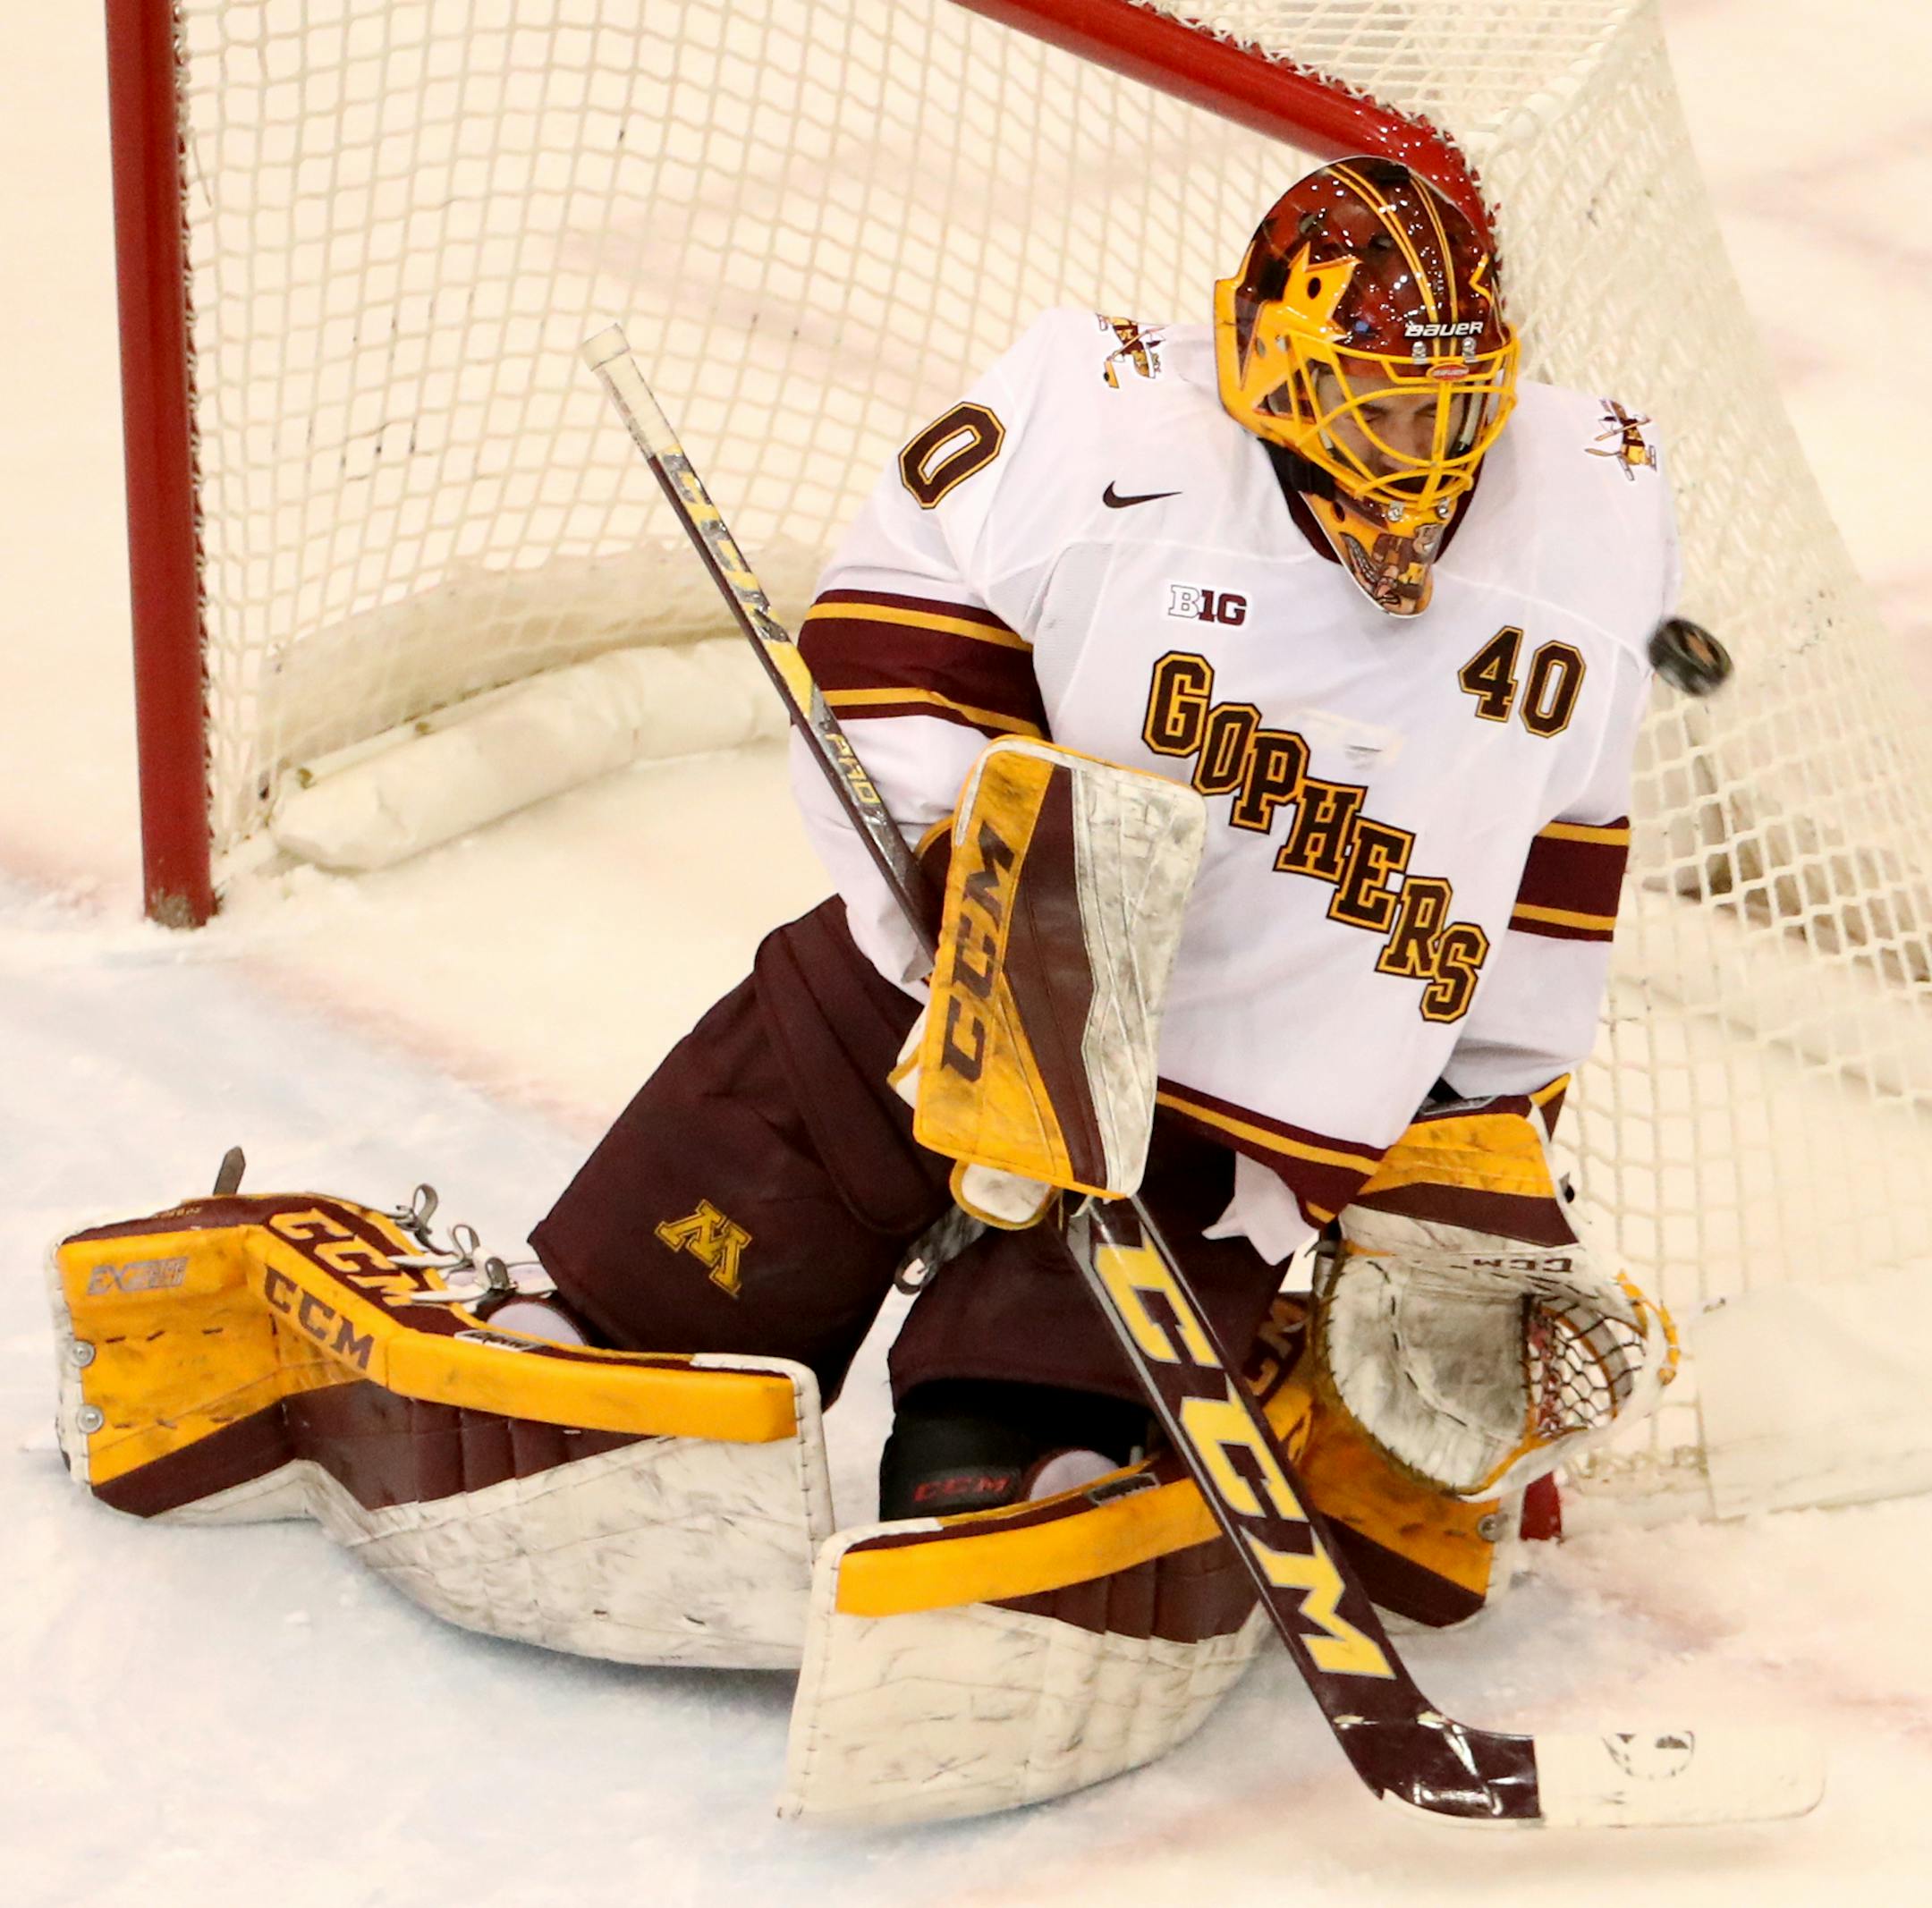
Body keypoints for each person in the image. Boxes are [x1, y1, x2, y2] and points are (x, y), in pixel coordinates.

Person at [526, 153, 1679, 1530]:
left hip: (1243, 1084)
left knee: (999, 1437)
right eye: (1380, 407)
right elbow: (889, 630)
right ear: (1271, 367)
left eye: (1453, 406)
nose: (1425, 454)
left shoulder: (1591, 517)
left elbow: (1560, 843)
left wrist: (1483, 1115)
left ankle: (1023, 1442)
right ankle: (628, 1332)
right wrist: (963, 857)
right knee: (804, 1080)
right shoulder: (1101, 419)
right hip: (987, 967)